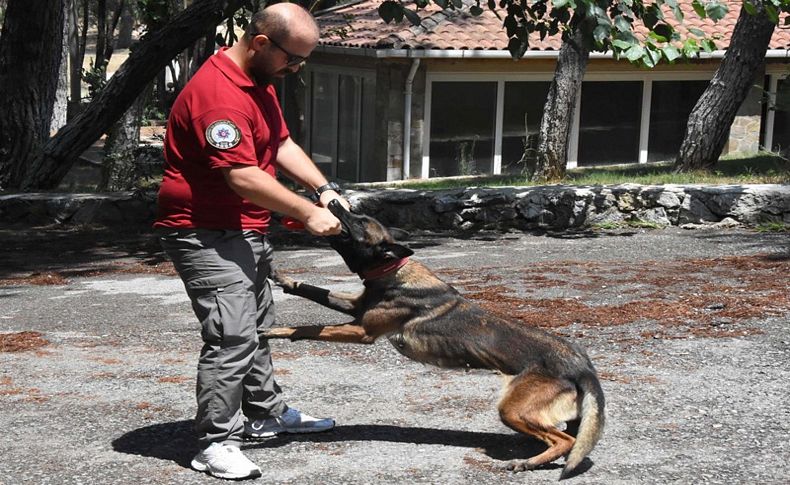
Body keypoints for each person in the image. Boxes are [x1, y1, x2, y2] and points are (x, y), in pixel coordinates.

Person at [154, 3, 346, 480]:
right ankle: (213, 443)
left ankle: (265, 416)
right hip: (204, 234)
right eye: (292, 59)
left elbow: (280, 144)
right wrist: (306, 212)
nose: (296, 68)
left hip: (244, 229)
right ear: (260, 43)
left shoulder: (258, 84)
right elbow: (241, 176)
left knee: (257, 325)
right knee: (231, 335)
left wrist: (322, 189)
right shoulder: (219, 96)